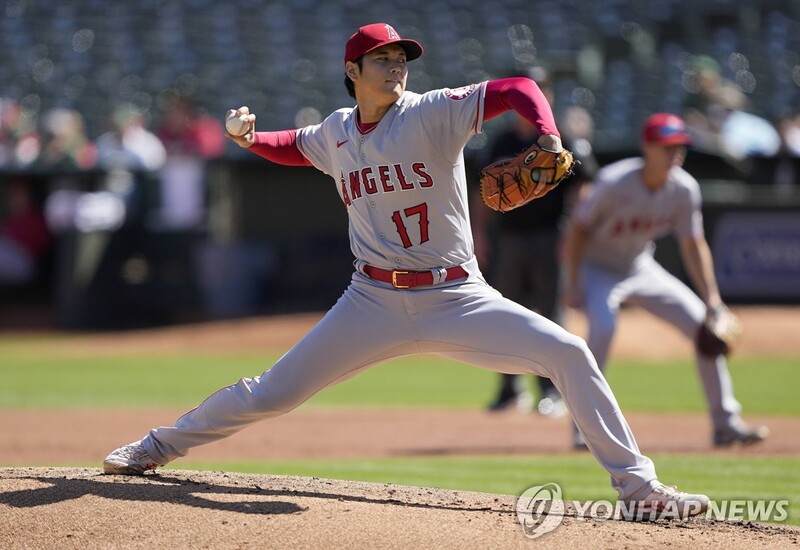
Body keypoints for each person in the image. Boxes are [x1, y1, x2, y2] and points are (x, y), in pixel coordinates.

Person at [103, 23, 709, 518]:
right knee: (273, 392)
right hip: (370, 301)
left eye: (400, 59)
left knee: (570, 352)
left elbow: (518, 86)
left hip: (458, 296)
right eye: (381, 59)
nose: (395, 68)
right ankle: (156, 446)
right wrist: (250, 136)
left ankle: (639, 491)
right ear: (352, 72)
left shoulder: (431, 113)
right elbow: (292, 145)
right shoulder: (336, 133)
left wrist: (548, 135)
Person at [562, 112, 769, 449]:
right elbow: (578, 230)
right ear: (648, 147)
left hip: (639, 266)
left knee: (707, 327)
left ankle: (726, 423)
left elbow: (693, 244)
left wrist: (713, 301)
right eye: (667, 146)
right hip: (598, 268)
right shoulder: (615, 181)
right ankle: (585, 428)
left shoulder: (684, 188)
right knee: (601, 330)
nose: (675, 153)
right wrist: (572, 283)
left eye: (680, 146)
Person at [474, 69, 598, 417]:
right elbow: (479, 192)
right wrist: (479, 235)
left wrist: (573, 235)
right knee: (503, 316)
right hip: (510, 239)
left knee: (551, 315)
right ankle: (509, 389)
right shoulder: (502, 142)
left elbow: (584, 190)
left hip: (549, 237)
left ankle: (551, 393)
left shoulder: (564, 140)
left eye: (543, 93)